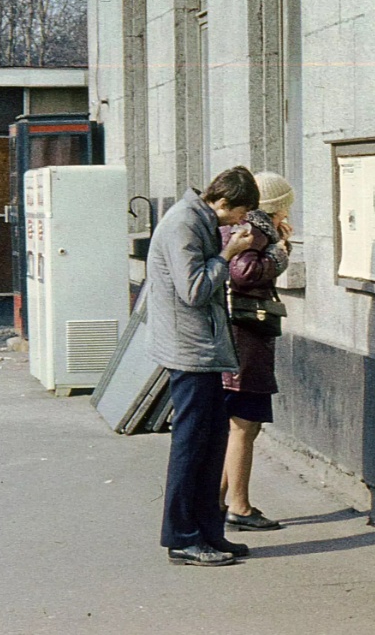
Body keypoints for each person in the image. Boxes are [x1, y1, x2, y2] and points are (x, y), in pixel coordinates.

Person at [148, 166, 259, 566]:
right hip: (189, 349)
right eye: (240, 213)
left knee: (211, 443)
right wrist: (228, 254)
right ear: (224, 202)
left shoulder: (200, 218)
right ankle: (182, 537)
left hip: (202, 348)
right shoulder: (183, 223)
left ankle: (209, 532)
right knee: (191, 445)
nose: (241, 222)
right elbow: (193, 290)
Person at [220, 172, 295, 532]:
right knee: (244, 425)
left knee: (241, 423)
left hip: (241, 338)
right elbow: (244, 272)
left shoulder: (251, 227)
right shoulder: (256, 229)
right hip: (245, 338)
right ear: (276, 207)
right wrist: (279, 252)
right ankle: (240, 506)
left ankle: (217, 501)